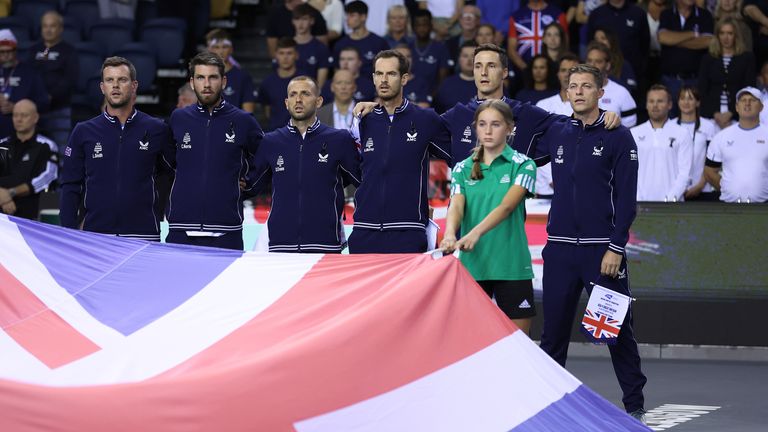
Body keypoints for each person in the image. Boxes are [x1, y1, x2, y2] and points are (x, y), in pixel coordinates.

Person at [534, 63, 647, 423]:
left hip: (602, 252)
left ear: (602, 92)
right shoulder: (555, 131)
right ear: (565, 93)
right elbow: (508, 116)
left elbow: (628, 200)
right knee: (552, 335)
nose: (578, 91)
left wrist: (616, 247)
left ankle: (635, 406)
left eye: (586, 86)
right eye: (572, 86)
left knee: (614, 332)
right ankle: (550, 409)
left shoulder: (618, 136)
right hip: (560, 251)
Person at [441, 100, 537, 334]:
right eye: (482, 124)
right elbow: (456, 205)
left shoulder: (524, 164)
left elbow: (506, 207)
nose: (488, 130)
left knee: (519, 349)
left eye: (495, 124)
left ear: (510, 128)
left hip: (512, 266)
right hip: (473, 267)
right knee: (470, 345)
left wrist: (474, 233)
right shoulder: (462, 168)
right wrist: (450, 234)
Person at [347, 49, 452, 254]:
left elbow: (457, 158)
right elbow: (350, 168)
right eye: (379, 74)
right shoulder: (362, 119)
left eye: (391, 74)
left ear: (404, 79)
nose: (384, 80)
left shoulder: (425, 119)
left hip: (408, 231)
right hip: (364, 230)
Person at [59, 57, 174, 240]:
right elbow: (71, 185)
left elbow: (175, 174)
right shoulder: (83, 131)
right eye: (110, 80)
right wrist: (68, 232)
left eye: (122, 80)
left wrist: (160, 213)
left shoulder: (157, 129)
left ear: (134, 85)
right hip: (96, 236)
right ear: (102, 87)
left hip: (143, 236)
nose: (115, 85)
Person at [250, 76, 360, 253]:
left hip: (325, 245)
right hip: (281, 245)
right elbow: (251, 186)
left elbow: (363, 181)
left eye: (305, 94)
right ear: (286, 103)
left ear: (319, 101)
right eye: (293, 95)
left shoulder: (339, 140)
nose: (298, 99)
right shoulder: (271, 141)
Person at [166, 52, 264, 250]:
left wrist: (250, 186)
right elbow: (166, 162)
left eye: (213, 77)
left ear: (224, 81)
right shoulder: (178, 119)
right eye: (201, 78)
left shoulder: (244, 121)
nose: (207, 84)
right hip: (181, 227)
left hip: (226, 230)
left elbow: (266, 160)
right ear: (192, 83)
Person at [630, 84, 694, 201]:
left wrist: (670, 200)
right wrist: (637, 198)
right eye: (651, 101)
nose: (655, 105)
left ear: (669, 105)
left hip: (673, 206)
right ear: (646, 105)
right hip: (640, 204)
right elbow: (629, 171)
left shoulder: (682, 133)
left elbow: (685, 173)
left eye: (660, 101)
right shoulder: (633, 134)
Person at [705, 86, 768, 202]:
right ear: (736, 107)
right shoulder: (721, 137)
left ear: (761, 107)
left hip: (764, 207)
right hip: (729, 207)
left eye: (753, 100)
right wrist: (728, 189)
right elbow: (709, 172)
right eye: (743, 100)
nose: (747, 103)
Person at [30, 11, 78, 156]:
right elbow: (28, 76)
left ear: (60, 29)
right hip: (35, 110)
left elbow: (70, 79)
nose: (48, 30)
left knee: (61, 152)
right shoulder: (34, 50)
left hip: (59, 109)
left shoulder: (69, 51)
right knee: (36, 154)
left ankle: (62, 179)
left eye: (52, 26)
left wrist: (50, 97)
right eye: (45, 26)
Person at [0, 99, 57, 220]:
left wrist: (11, 193)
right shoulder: (3, 144)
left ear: (35, 118)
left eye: (24, 115)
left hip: (32, 213)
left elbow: (47, 177)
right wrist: (3, 196)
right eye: (15, 115)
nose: (18, 119)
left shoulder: (46, 146)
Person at [535, 53, 580, 198]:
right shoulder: (542, 106)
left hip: (579, 186)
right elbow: (538, 147)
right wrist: (553, 178)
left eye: (572, 70)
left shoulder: (589, 108)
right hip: (546, 187)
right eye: (563, 70)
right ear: (558, 74)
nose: (567, 74)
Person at [697, 17, 756, 129]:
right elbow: (702, 90)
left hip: (738, 116)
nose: (726, 37)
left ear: (736, 36)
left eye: (730, 33)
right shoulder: (708, 59)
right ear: (717, 35)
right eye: (722, 33)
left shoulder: (747, 58)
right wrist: (715, 113)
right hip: (711, 116)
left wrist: (732, 113)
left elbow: (748, 89)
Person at [658, 0, 714, 103]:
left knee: (695, 117)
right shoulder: (666, 14)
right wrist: (692, 34)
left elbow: (707, 42)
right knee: (670, 117)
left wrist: (674, 40)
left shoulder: (705, 15)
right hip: (670, 79)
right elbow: (663, 38)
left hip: (696, 79)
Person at [673, 85, 721, 201]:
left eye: (690, 98)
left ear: (698, 102)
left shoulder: (709, 127)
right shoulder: (671, 126)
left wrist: (700, 186)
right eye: (682, 98)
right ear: (678, 102)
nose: (686, 102)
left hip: (703, 189)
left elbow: (711, 161)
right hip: (675, 189)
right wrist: (678, 188)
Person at [587, 0, 651, 85]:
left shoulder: (638, 13)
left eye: (603, 38)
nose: (600, 42)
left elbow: (645, 45)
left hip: (634, 73)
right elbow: (590, 43)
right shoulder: (596, 14)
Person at [0, 30, 49, 140]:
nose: (5, 55)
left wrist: (17, 108)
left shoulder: (29, 73)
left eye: (9, 51)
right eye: (1, 52)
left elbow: (44, 102)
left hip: (22, 137)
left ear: (15, 51)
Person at [585, 41, 638, 127]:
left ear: (607, 65)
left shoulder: (622, 93)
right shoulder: (576, 91)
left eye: (598, 61)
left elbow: (630, 128)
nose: (592, 65)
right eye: (589, 60)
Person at [506, 0, 568, 71]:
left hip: (553, 70)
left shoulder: (558, 14)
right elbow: (511, 50)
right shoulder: (516, 16)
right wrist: (527, 70)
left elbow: (565, 45)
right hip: (522, 72)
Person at [333, 1, 390, 77]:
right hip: (348, 86)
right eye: (347, 16)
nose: (347, 19)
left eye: (352, 15)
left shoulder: (379, 43)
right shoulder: (340, 44)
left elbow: (387, 68)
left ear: (363, 17)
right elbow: (337, 71)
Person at [206, 29, 257, 114]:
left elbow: (248, 113)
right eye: (216, 47)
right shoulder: (202, 76)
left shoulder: (242, 76)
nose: (221, 51)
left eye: (224, 47)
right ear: (210, 50)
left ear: (231, 49)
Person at [258, 38, 302, 131]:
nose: (285, 57)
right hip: (275, 134)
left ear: (296, 55)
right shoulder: (267, 82)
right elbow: (267, 112)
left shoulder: (305, 81)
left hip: (302, 134)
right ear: (276, 55)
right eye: (281, 53)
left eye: (289, 53)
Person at [409, 9, 452, 98]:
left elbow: (443, 80)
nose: (421, 28)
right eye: (418, 25)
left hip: (434, 98)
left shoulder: (441, 48)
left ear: (431, 26)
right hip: (408, 98)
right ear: (413, 27)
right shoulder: (407, 48)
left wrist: (430, 98)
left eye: (425, 25)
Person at [292, 4, 332, 89]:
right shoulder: (286, 47)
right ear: (293, 21)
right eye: (297, 19)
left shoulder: (320, 48)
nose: (300, 23)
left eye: (304, 19)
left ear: (312, 21)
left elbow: (320, 85)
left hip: (311, 95)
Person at [434, 41, 477, 113]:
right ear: (459, 59)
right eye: (465, 56)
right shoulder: (447, 84)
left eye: (473, 56)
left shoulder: (488, 84)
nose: (469, 60)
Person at [591, 27, 638, 93]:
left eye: (603, 38)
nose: (599, 42)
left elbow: (629, 90)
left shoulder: (623, 64)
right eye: (596, 39)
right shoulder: (587, 64)